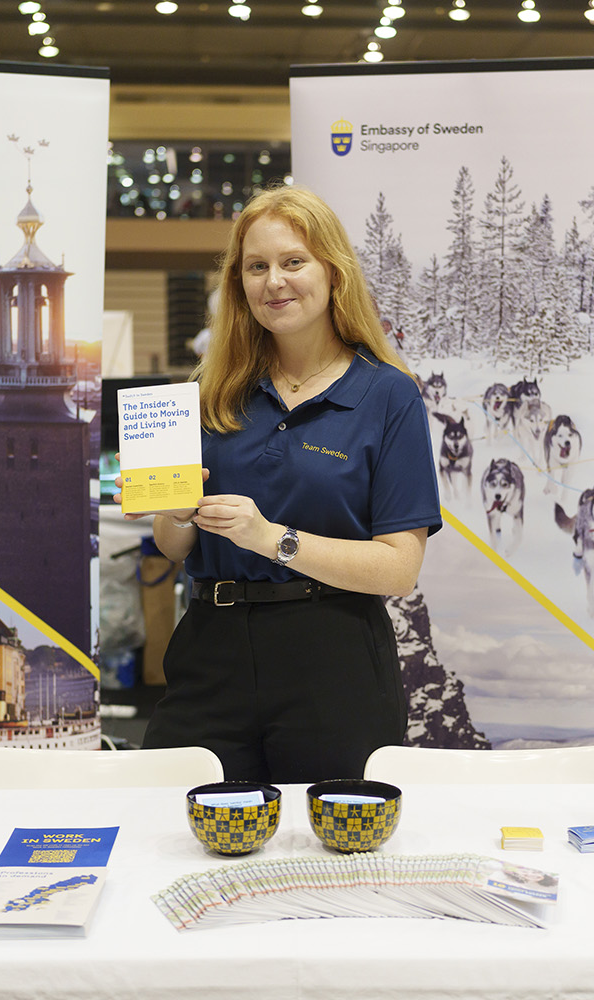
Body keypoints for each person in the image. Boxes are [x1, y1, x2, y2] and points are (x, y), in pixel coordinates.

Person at [116, 186, 441, 784]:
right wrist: (176, 512)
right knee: (176, 832)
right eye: (256, 267)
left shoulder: (388, 395)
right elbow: (172, 546)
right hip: (210, 653)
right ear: (238, 283)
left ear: (333, 271)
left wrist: (272, 538)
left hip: (333, 658)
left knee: (329, 852)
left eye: (293, 262)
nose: (274, 282)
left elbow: (399, 569)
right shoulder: (212, 393)